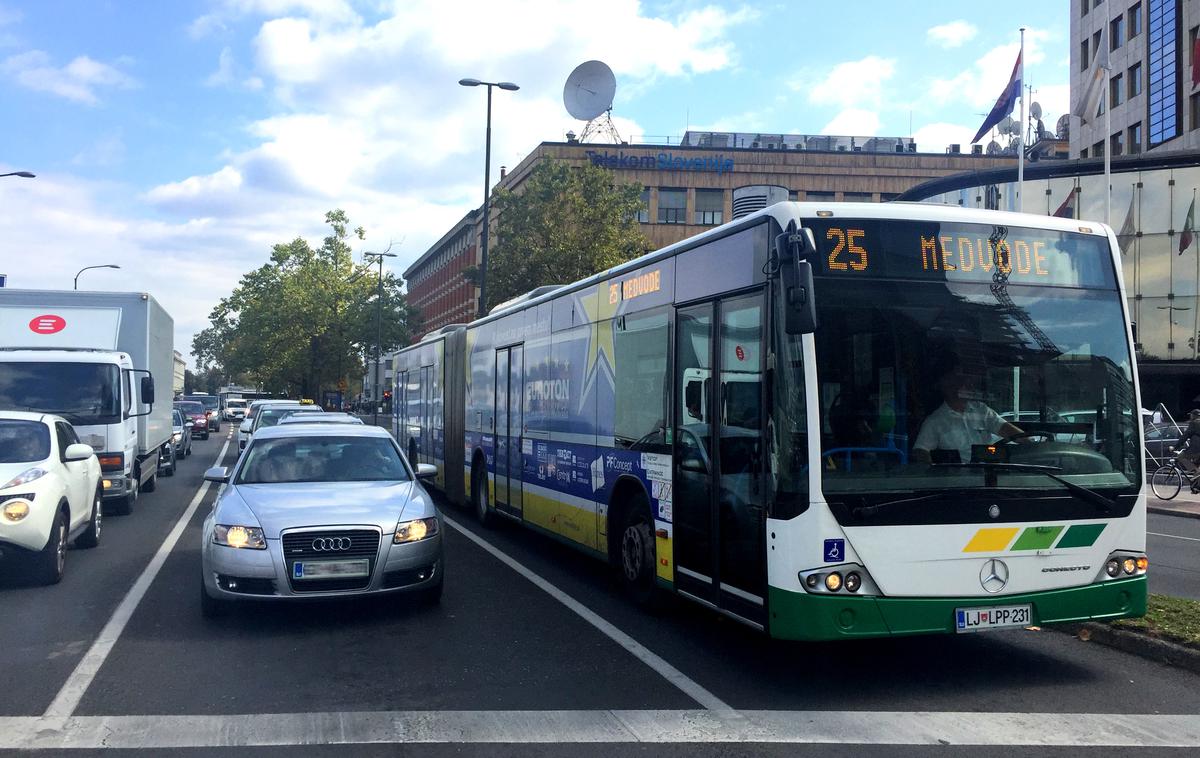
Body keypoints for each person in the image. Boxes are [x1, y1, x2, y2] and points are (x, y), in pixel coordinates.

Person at [913, 359, 1024, 464]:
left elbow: (1008, 430)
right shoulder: (935, 421)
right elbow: (921, 451)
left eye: (964, 379)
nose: (964, 383)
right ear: (944, 385)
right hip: (960, 479)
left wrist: (1034, 446)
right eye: (956, 379)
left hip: (991, 472)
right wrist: (935, 473)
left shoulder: (981, 410)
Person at [1174, 409, 1200, 481]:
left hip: (1196, 449)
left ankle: (1197, 472)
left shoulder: (1194, 423)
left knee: (1180, 456)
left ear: (1194, 415)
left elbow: (1185, 436)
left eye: (1191, 415)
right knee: (1196, 466)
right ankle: (1196, 488)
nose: (1190, 416)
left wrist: (1175, 447)